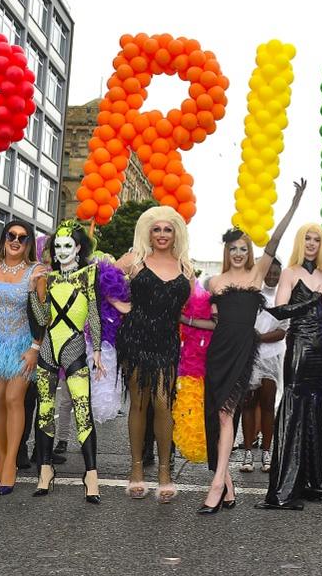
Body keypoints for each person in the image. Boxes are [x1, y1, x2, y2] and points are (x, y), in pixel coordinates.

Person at [199, 179, 306, 514]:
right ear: (227, 252)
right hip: (218, 350)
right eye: (234, 249)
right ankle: (228, 487)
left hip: (244, 350)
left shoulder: (258, 273)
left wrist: (294, 203)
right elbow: (215, 323)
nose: (239, 253)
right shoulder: (214, 282)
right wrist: (185, 323)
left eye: (244, 248)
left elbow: (275, 240)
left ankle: (216, 485)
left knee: (227, 412)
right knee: (215, 415)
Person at [28, 221, 129, 504]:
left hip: (74, 346)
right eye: (57, 246)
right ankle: (45, 471)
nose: (61, 251)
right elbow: (40, 318)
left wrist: (96, 350)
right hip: (49, 346)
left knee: (82, 410)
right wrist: (31, 289)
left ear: (79, 248)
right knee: (45, 411)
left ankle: (91, 474)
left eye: (67, 246)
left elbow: (94, 314)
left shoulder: (88, 274)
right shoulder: (47, 279)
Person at [255, 224, 322, 511]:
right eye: (308, 238)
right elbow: (278, 311)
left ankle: (314, 482)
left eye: (317, 239)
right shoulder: (290, 272)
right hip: (300, 346)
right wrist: (313, 300)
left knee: (316, 410)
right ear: (300, 242)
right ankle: (283, 490)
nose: (312, 243)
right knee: (293, 408)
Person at [117, 207, 195, 503]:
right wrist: (120, 305)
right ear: (148, 233)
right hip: (136, 338)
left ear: (176, 234)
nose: (162, 235)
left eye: (168, 230)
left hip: (166, 341)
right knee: (139, 403)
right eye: (156, 229)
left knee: (163, 403)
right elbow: (102, 278)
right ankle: (136, 470)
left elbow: (190, 310)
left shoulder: (185, 268)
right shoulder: (135, 262)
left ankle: (164, 472)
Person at [0, 219, 43, 495]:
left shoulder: (36, 272)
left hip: (23, 344)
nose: (16, 241)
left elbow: (42, 316)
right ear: (3, 238)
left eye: (23, 238)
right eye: (11, 236)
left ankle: (11, 464)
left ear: (29, 243)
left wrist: (34, 348)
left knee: (13, 398)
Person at [239, 259, 287, 474]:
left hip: (271, 357)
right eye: (268, 272)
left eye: (276, 273)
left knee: (268, 404)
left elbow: (282, 331)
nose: (272, 276)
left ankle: (267, 452)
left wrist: (258, 337)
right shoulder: (249, 293)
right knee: (248, 404)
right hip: (248, 357)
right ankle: (248, 452)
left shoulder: (282, 296)